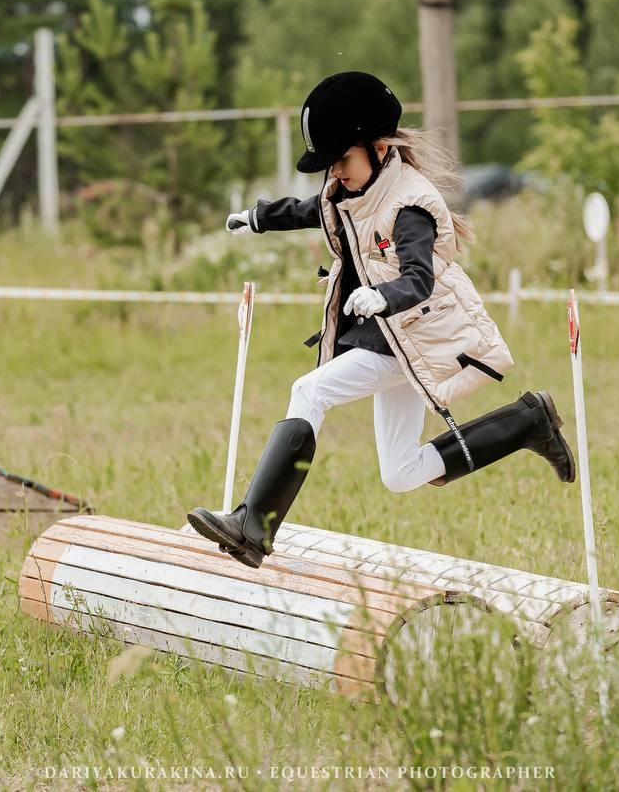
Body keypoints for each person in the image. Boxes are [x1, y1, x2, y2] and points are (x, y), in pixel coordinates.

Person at [187, 71, 574, 569]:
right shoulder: (355, 190)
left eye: (342, 160)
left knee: (309, 391)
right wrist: (258, 218)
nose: (335, 174)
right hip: (393, 341)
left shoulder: (409, 205)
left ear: (378, 147)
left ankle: (253, 525)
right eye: (330, 165)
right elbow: (314, 209)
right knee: (401, 472)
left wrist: (381, 296)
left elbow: (419, 281)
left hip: (413, 337)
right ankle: (527, 422)